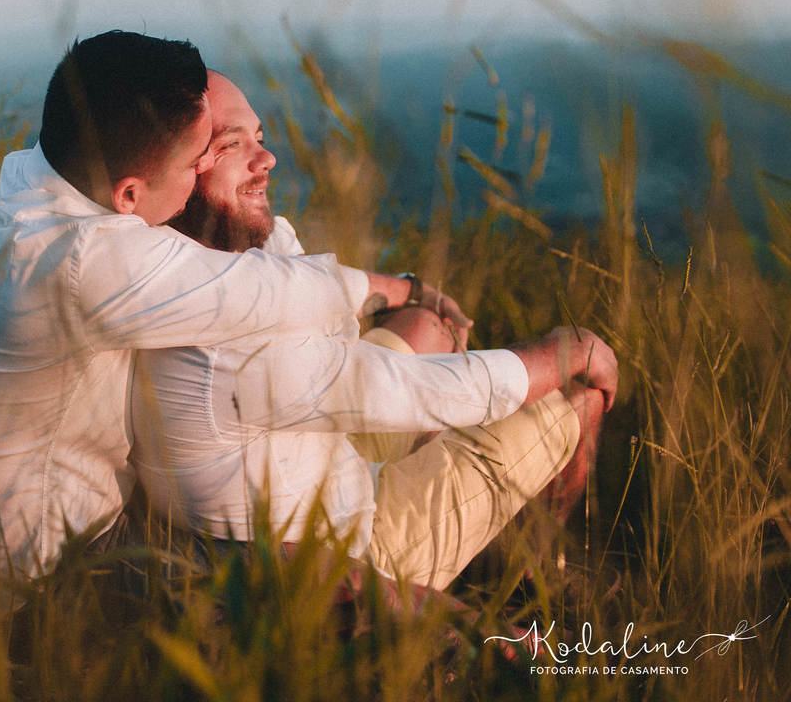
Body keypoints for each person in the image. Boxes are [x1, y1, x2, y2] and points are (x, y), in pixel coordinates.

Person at [0, 32, 461, 606]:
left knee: (413, 342)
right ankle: (474, 639)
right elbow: (256, 291)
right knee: (323, 573)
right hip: (55, 582)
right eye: (197, 160)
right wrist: (397, 287)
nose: (205, 169)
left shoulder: (33, 182)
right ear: (129, 195)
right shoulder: (84, 261)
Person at [128, 70, 617, 589]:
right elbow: (414, 389)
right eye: (232, 144)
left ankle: (474, 514)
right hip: (348, 550)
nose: (266, 158)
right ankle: (530, 578)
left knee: (433, 325)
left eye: (260, 138)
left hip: (321, 457)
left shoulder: (211, 248)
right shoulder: (219, 334)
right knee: (575, 388)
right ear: (179, 167)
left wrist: (408, 289)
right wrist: (570, 349)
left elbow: (310, 287)